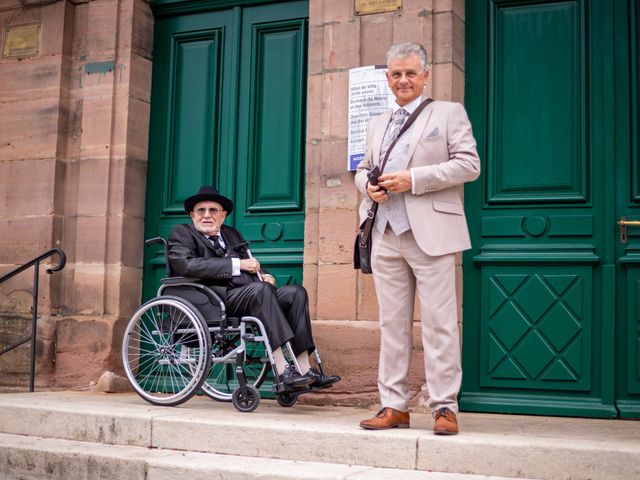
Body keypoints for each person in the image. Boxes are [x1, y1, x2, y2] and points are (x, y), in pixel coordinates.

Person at [355, 42, 480, 434]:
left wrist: (415, 179)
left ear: (425, 76)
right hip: (385, 233)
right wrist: (367, 188)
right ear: (388, 78)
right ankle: (394, 405)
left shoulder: (448, 113)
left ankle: (444, 406)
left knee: (440, 323)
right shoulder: (376, 123)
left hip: (431, 232)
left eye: (411, 73)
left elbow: (469, 164)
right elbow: (362, 169)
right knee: (392, 325)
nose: (403, 80)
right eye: (396, 74)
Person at [168, 185, 340, 391]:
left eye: (213, 210)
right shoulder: (183, 233)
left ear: (222, 215)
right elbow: (186, 265)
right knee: (260, 291)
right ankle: (283, 370)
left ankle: (304, 369)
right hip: (211, 298)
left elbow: (249, 261)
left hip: (246, 293)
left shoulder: (231, 234)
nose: (206, 215)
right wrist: (238, 266)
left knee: (295, 292)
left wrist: (263, 274)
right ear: (192, 215)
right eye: (201, 211)